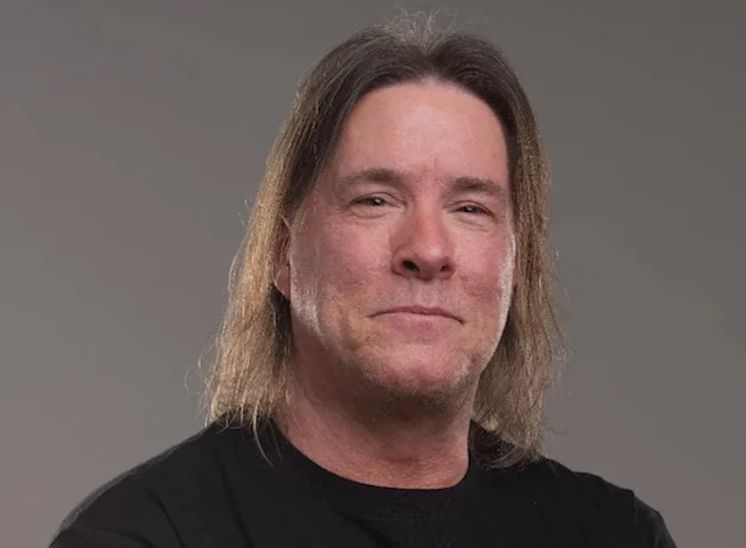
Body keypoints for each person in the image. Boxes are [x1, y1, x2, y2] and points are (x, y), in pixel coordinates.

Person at [52, 17, 677, 548]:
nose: (427, 250)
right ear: (282, 255)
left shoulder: (614, 534)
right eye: (376, 200)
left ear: (518, 264)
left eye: (471, 208)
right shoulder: (144, 535)